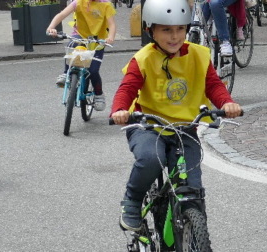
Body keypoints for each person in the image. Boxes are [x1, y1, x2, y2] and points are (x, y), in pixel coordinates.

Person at [110, 0, 242, 231]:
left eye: (180, 29)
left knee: (193, 186)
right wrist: (119, 110)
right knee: (152, 158)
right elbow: (127, 88)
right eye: (166, 30)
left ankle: (195, 233)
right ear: (150, 30)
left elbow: (213, 85)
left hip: (185, 126)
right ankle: (131, 201)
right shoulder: (143, 59)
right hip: (148, 125)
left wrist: (228, 103)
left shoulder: (199, 55)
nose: (174, 36)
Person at [46, 0, 116, 111]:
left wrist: (110, 37)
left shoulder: (106, 4)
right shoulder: (78, 2)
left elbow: (111, 24)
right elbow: (62, 14)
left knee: (93, 71)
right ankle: (66, 74)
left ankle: (99, 95)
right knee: (72, 45)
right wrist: (51, 27)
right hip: (80, 35)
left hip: (98, 40)